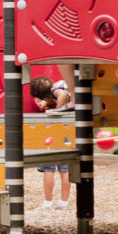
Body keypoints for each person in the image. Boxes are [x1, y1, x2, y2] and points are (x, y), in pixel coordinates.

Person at [29, 74, 72, 209]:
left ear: (46, 96)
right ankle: (63, 201)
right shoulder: (59, 85)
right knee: (65, 168)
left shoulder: (55, 91)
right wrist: (49, 103)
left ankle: (47, 202)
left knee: (49, 167)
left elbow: (62, 96)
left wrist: (56, 113)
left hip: (58, 130)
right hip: (68, 130)